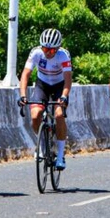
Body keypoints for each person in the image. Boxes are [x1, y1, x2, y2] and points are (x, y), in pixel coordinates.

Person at [19, 29, 72, 170]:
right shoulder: (36, 52)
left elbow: (68, 80)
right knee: (35, 115)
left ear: (58, 48)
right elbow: (25, 74)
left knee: (59, 115)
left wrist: (64, 96)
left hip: (59, 86)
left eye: (52, 50)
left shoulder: (63, 55)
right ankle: (42, 144)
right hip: (42, 85)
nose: (48, 52)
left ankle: (60, 155)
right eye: (45, 48)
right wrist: (23, 95)